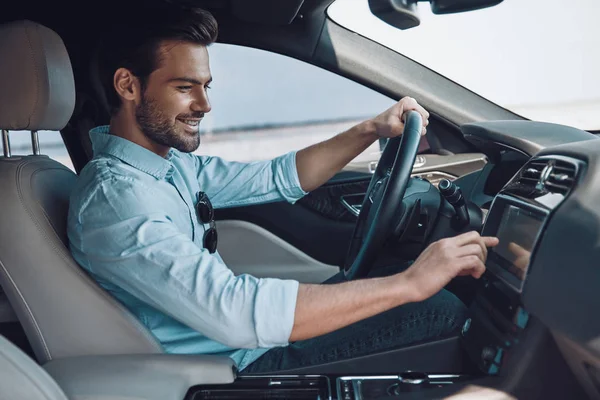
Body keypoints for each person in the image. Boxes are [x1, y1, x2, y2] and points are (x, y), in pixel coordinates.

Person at [67, 5, 499, 373]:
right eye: (184, 87)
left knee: (400, 285)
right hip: (235, 368)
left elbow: (276, 177)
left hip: (243, 346)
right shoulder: (118, 199)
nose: (204, 104)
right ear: (128, 86)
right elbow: (234, 313)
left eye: (205, 86)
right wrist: (410, 284)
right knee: (438, 311)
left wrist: (370, 129)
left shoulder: (168, 165)